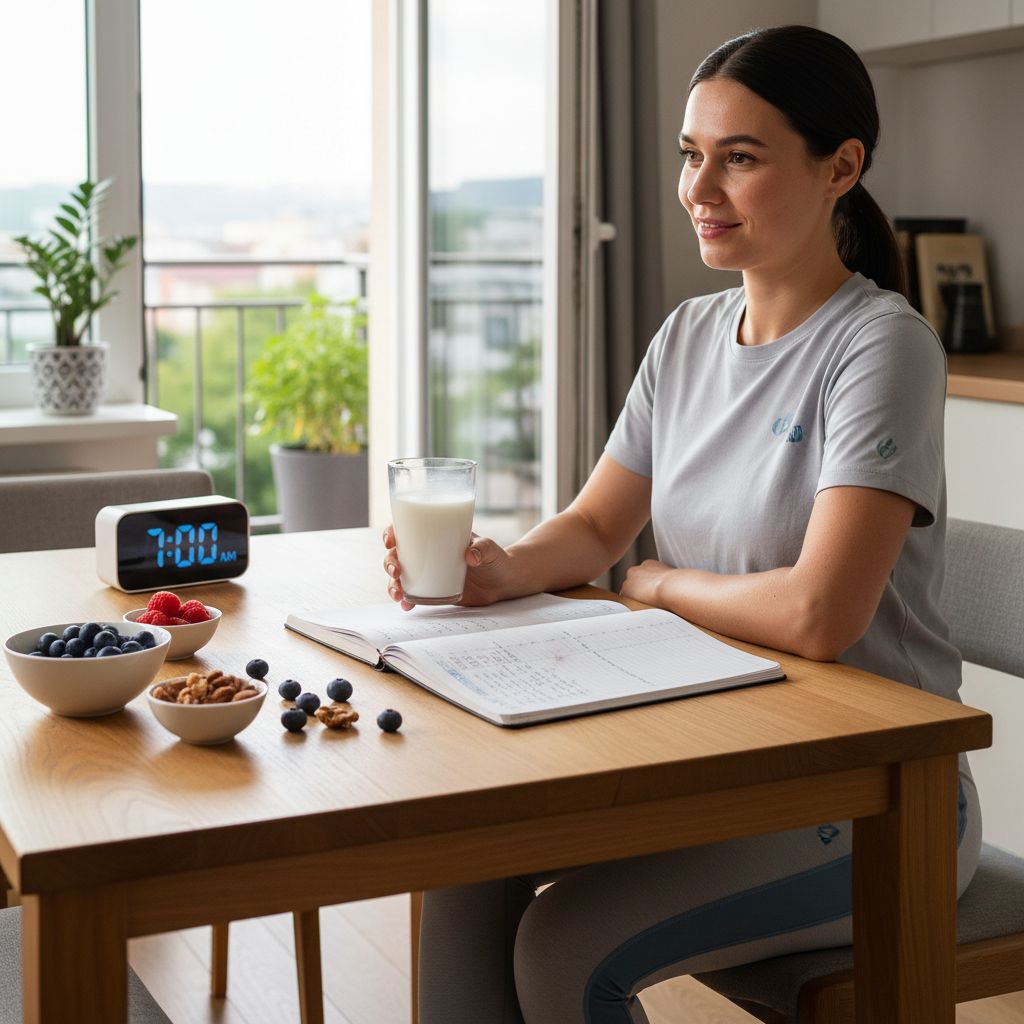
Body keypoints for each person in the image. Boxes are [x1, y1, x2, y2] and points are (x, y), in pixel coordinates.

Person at [383, 24, 981, 1024]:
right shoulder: (688, 335)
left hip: (873, 797)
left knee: (563, 949)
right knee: (458, 867)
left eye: (739, 158)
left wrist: (656, 584)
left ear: (840, 167)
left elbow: (817, 614)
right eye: (690, 155)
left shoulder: (884, 348)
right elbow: (594, 523)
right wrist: (503, 570)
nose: (699, 187)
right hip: (715, 750)